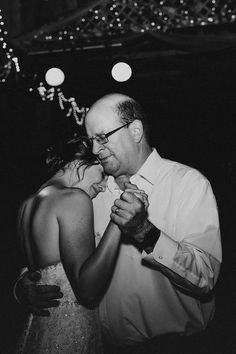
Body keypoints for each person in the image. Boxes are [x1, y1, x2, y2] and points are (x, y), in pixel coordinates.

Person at [15, 93, 222, 352]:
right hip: (103, 344)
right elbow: (58, 250)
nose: (94, 150)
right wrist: (25, 283)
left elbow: (205, 277)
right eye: (91, 141)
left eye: (102, 137)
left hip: (174, 344)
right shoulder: (90, 192)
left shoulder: (188, 184)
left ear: (135, 130)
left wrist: (144, 232)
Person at [15, 135, 149, 353]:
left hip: (38, 330)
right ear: (78, 162)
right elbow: (88, 292)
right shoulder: (73, 198)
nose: (105, 186)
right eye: (104, 173)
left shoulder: (27, 205)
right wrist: (119, 221)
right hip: (68, 335)